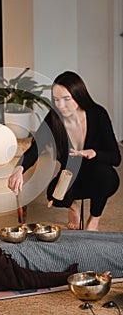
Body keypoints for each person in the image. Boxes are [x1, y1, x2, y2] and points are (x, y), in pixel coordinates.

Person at [8, 71, 121, 231]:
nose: (61, 105)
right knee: (54, 195)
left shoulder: (98, 114)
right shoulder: (54, 118)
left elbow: (115, 158)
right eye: (56, 100)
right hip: (70, 175)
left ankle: (94, 218)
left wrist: (94, 153)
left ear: (79, 95)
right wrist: (19, 168)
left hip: (97, 172)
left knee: (106, 175)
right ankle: (73, 208)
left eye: (67, 99)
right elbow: (35, 149)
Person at [0, 231, 123, 291]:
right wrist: (86, 278)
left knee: (111, 237)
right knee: (115, 251)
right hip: (65, 255)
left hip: (52, 239)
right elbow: (35, 280)